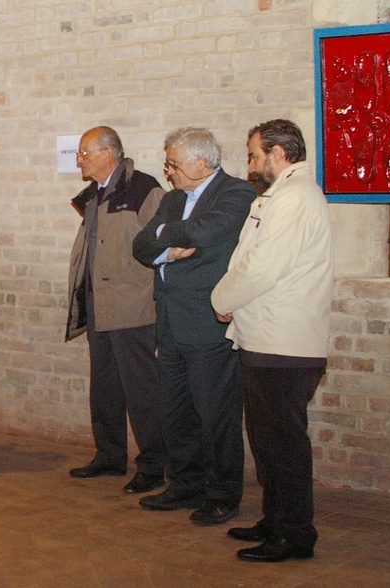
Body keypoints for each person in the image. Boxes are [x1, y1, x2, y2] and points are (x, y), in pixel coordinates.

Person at [211, 119, 333, 562]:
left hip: (285, 344)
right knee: (267, 442)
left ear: (278, 154)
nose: (249, 165)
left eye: (253, 155)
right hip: (266, 338)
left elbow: (263, 269)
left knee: (283, 446)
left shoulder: (296, 198)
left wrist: (221, 297)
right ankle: (275, 519)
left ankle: (295, 535)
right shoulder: (280, 196)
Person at [132, 127, 254, 525]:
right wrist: (167, 250)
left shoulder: (236, 194)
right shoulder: (172, 198)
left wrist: (162, 236)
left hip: (207, 321)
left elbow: (208, 232)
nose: (168, 172)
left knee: (215, 412)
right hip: (169, 321)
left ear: (201, 162)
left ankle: (221, 495)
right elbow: (140, 246)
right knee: (175, 411)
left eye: (173, 164)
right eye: (168, 164)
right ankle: (185, 485)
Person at [65, 126, 167, 494]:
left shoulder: (143, 188)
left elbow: (163, 245)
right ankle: (109, 455)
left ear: (109, 153)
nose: (80, 159)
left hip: (133, 307)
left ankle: (155, 464)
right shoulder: (94, 194)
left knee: (142, 391)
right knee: (105, 387)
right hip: (98, 306)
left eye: (84, 152)